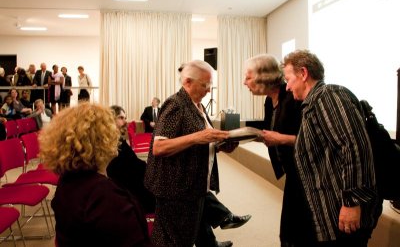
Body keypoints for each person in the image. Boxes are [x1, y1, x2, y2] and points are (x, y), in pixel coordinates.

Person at [108, 105, 250, 247]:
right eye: (121, 118)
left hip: (144, 186)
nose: (125, 121)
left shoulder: (118, 142)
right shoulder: (112, 147)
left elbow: (136, 168)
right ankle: (221, 222)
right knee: (189, 190)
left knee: (189, 188)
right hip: (140, 195)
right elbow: (132, 174)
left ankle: (216, 231)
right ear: (110, 120)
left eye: (125, 118)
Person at [282, 49, 382, 246]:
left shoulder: (328, 96)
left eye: (288, 79)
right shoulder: (313, 104)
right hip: (330, 209)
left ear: (303, 73)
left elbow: (354, 147)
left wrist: (352, 202)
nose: (287, 87)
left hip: (343, 210)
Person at [144, 60, 237, 247]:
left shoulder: (196, 106)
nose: (209, 90)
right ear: (188, 82)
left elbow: (196, 143)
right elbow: (159, 148)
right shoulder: (176, 104)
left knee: (187, 237)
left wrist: (219, 146)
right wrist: (198, 136)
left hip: (192, 186)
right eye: (205, 85)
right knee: (174, 240)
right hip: (175, 189)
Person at [39, 102, 154, 247]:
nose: (116, 136)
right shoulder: (107, 198)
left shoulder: (67, 181)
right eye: (111, 131)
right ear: (100, 140)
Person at [243, 54, 312, 246]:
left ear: (264, 76)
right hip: (293, 172)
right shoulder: (269, 100)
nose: (244, 82)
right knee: (289, 231)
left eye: (248, 77)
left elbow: (311, 140)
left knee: (297, 231)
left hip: (306, 174)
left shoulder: (293, 97)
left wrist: (279, 139)